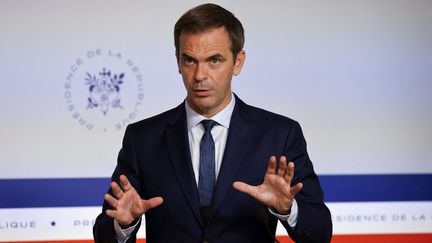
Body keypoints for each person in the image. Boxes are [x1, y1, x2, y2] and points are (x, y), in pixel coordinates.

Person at [93, 3, 332, 243]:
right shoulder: (142, 138)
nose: (200, 75)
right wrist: (123, 224)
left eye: (214, 60)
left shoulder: (280, 134)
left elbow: (320, 233)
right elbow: (104, 231)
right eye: (189, 60)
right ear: (178, 61)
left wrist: (288, 210)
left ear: (238, 62)